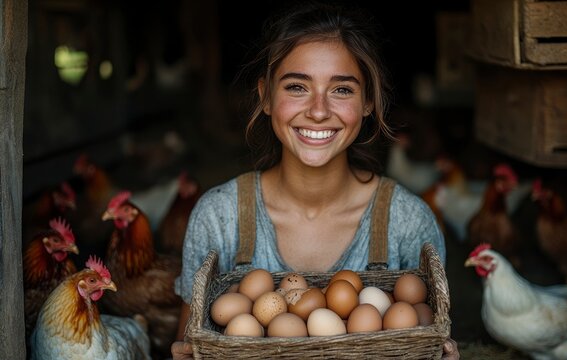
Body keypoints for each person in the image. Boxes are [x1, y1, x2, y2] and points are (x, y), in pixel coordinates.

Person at [171, 2, 459, 359]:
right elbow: (192, 343)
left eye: (341, 90)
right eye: (296, 87)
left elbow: (427, 335)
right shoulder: (219, 217)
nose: (319, 110)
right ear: (265, 96)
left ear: (368, 101)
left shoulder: (407, 223)